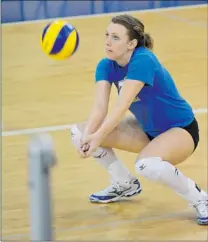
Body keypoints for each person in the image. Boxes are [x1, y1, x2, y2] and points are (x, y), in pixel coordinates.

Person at [70, 14, 207, 225]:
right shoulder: (106, 65)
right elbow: (100, 108)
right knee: (79, 133)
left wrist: (97, 137)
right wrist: (89, 136)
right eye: (107, 35)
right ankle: (124, 183)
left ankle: (201, 199)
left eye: (116, 37)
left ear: (132, 43)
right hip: (147, 131)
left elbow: (121, 106)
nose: (107, 41)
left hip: (181, 130)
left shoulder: (143, 60)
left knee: (147, 166)